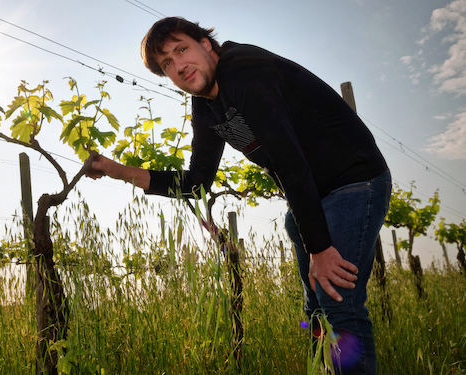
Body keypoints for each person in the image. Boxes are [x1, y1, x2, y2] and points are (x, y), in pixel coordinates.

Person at [87, 17, 390, 374]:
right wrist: (118, 171)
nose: (178, 65)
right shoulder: (205, 104)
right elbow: (197, 182)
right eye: (167, 63)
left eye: (182, 49)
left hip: (354, 183)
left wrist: (320, 248)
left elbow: (289, 161)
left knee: (338, 304)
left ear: (207, 44)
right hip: (310, 201)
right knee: (315, 312)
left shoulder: (245, 71)